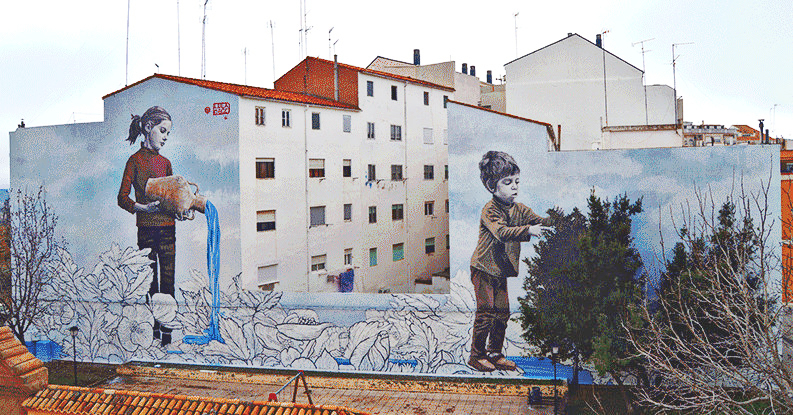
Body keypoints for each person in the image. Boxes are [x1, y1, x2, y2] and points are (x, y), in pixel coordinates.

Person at [469, 150, 557, 372]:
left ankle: (495, 353)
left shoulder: (519, 209)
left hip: (500, 270)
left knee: (502, 313)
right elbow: (502, 232)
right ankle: (477, 356)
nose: (515, 186)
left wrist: (554, 218)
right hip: (483, 269)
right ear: (492, 186)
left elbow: (539, 220)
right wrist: (529, 230)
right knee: (486, 312)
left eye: (517, 181)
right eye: (508, 182)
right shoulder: (489, 210)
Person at [117, 106, 187, 346]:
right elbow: (122, 198)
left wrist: (179, 211)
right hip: (146, 231)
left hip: (168, 229)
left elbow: (170, 199)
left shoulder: (166, 163)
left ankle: (167, 336)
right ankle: (153, 333)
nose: (166, 137)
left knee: (168, 282)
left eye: (168, 132)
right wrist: (143, 208)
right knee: (150, 283)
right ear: (148, 128)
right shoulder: (134, 161)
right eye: (163, 130)